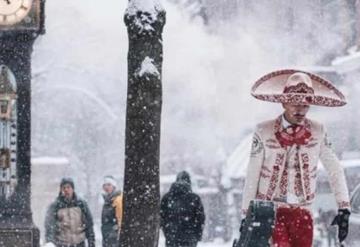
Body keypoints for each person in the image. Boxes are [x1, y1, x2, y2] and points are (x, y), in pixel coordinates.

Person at [241, 70, 351, 247]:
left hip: (303, 212)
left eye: (305, 105)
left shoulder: (318, 131)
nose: (300, 110)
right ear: (284, 102)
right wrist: (246, 214)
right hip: (271, 211)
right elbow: (252, 175)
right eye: (295, 104)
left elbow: (335, 169)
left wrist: (344, 207)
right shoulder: (263, 130)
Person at [44, 177, 95, 247]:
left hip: (79, 243)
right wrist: (50, 242)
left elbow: (89, 224)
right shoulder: (55, 206)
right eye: (63, 188)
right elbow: (49, 226)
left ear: (73, 189)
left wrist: (91, 242)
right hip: (62, 243)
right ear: (60, 189)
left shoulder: (81, 204)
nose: (66, 190)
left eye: (68, 187)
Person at [160, 171, 205, 247]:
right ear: (189, 182)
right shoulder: (194, 198)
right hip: (189, 238)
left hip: (172, 238)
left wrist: (168, 232)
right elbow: (200, 219)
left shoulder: (167, 198)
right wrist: (197, 236)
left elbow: (161, 217)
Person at [101, 175, 123, 247]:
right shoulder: (107, 201)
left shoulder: (118, 200)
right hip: (107, 238)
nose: (106, 187)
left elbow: (120, 220)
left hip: (114, 239)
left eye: (109, 184)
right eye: (104, 185)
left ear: (114, 186)